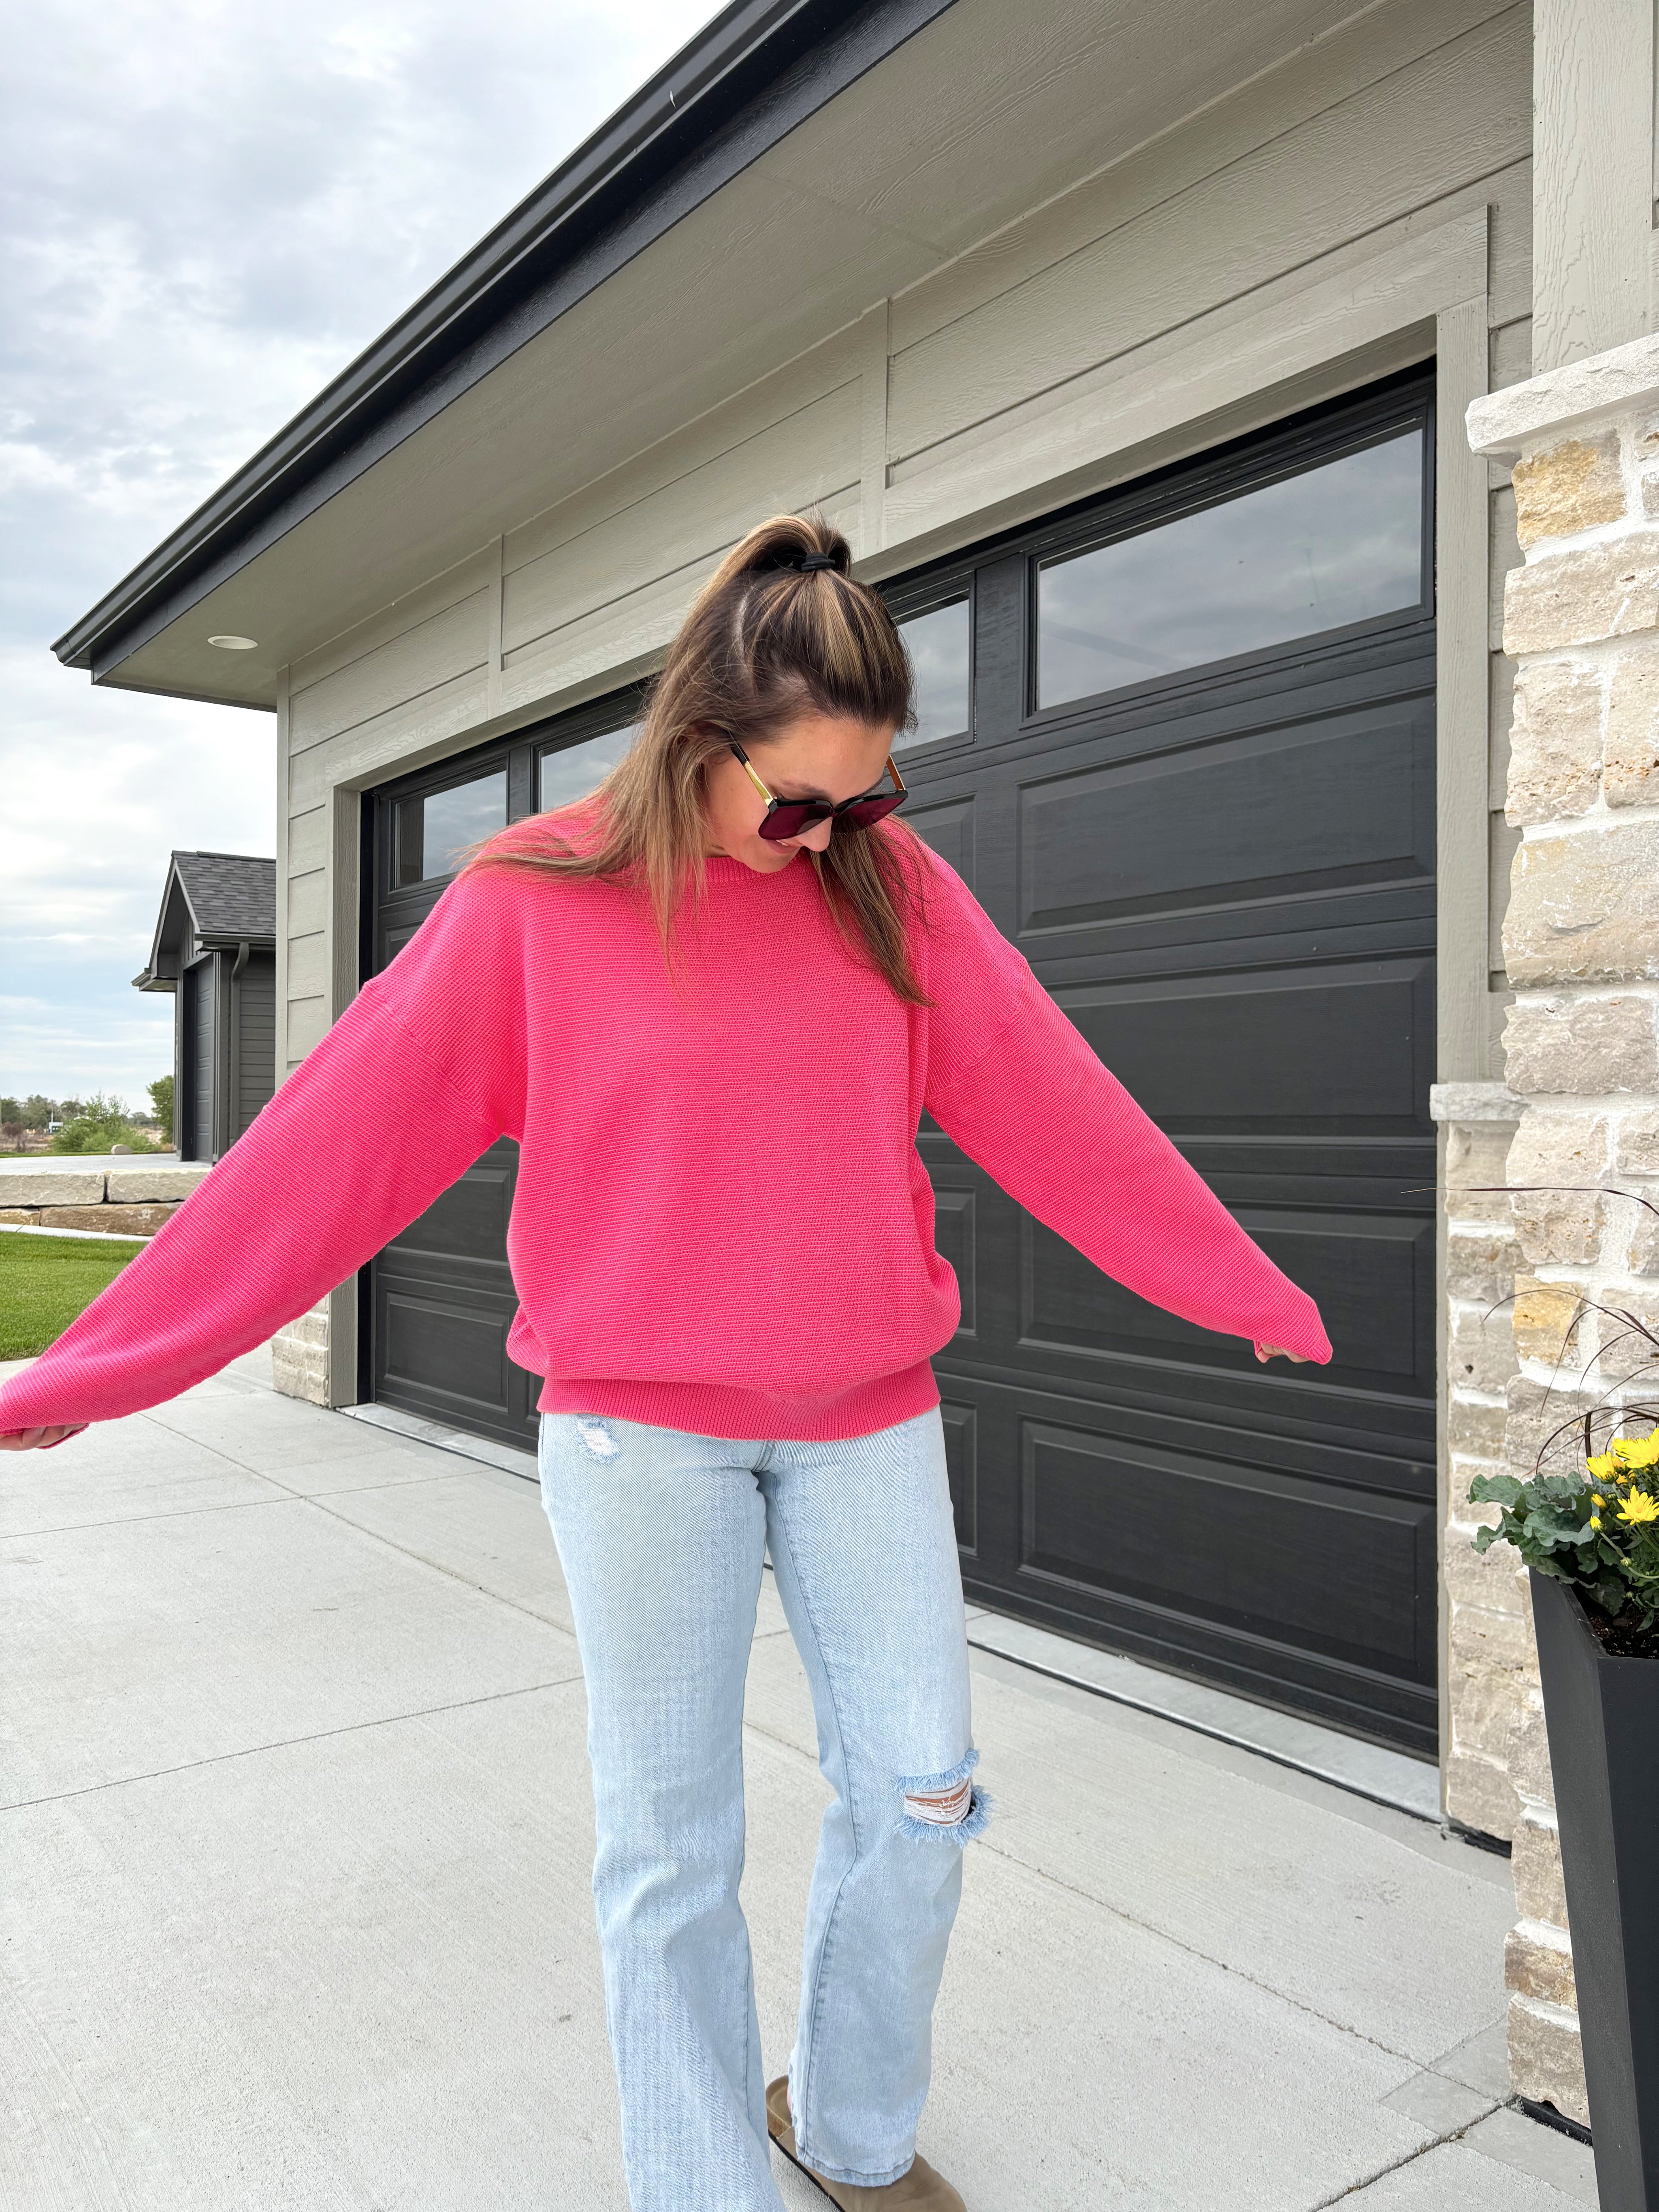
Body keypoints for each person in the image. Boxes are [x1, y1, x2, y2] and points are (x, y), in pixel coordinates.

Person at [0, 512, 1330, 2211]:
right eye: (793, 801)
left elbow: (1058, 1102)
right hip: (640, 1441)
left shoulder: (889, 889)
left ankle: (847, 2130)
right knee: (673, 1850)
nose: (823, 832)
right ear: (697, 745)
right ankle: (705, 2187)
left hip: (870, 1419)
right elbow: (316, 1156)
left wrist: (1235, 1282)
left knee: (923, 1794)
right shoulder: (532, 905)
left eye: (861, 797)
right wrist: (89, 1369)